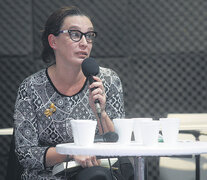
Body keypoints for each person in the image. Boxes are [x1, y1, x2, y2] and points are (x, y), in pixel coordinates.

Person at [13, 6, 125, 180]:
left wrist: (101, 113)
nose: (84, 42)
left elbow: (118, 145)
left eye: (89, 35)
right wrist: (72, 154)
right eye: (75, 34)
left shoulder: (108, 81)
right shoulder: (31, 87)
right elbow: (25, 153)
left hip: (96, 174)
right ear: (53, 42)